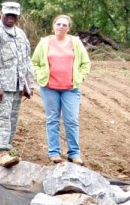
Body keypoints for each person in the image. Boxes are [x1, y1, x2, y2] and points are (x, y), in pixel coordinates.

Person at [0, 1, 35, 167]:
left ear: (18, 16)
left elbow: (26, 60)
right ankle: (3, 151)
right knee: (1, 119)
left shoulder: (20, 35)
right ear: (1, 14)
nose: (11, 18)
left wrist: (28, 84)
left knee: (12, 120)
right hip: (1, 87)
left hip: (16, 86)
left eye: (14, 15)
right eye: (8, 14)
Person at [32, 14, 91, 166]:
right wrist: (39, 76)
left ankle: (74, 153)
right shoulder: (45, 42)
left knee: (71, 120)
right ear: (53, 26)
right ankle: (54, 153)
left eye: (64, 25)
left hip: (70, 88)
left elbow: (85, 63)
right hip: (49, 88)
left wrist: (80, 78)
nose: (61, 27)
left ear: (69, 28)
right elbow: (35, 62)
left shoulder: (75, 42)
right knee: (52, 120)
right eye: (58, 24)